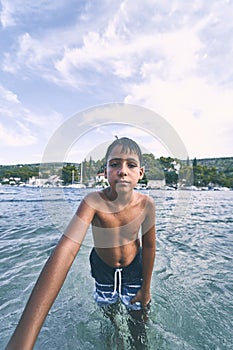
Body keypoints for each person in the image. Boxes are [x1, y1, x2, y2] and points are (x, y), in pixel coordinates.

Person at [6, 137, 156, 350]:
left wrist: (147, 288)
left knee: (138, 321)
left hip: (134, 268)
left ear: (140, 173)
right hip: (103, 268)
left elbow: (149, 247)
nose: (122, 171)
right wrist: (23, 340)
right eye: (114, 164)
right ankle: (114, 334)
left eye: (130, 165)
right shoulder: (93, 202)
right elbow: (67, 250)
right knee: (110, 312)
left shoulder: (146, 204)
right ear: (105, 172)